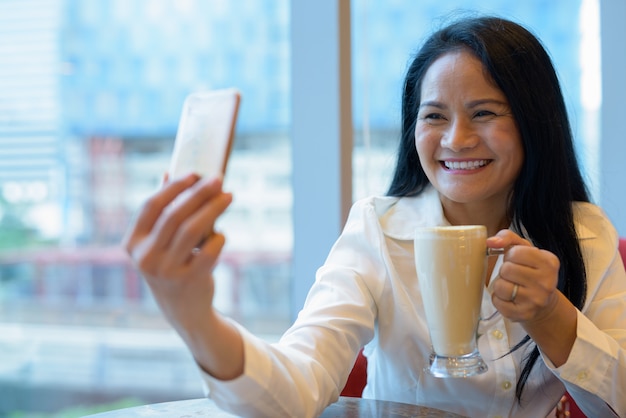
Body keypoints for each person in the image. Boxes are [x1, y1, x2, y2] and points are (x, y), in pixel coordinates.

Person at [122, 15, 626, 418]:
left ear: (535, 123)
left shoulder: (583, 232)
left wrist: (549, 314)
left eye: (485, 112)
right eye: (434, 116)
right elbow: (297, 388)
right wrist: (195, 319)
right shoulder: (377, 230)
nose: (456, 140)